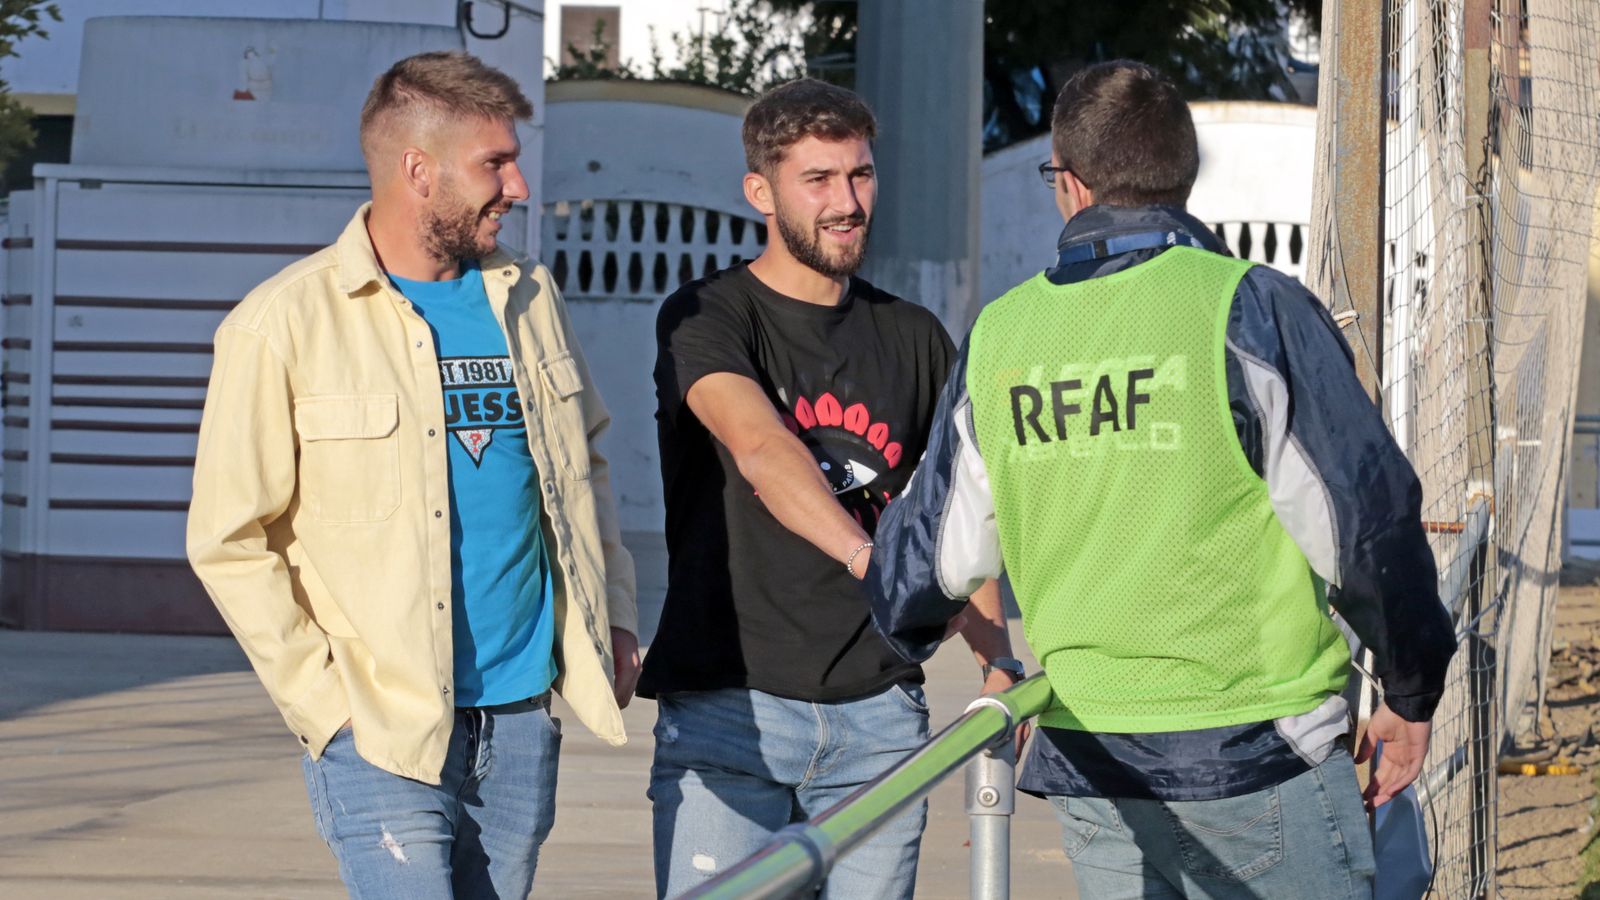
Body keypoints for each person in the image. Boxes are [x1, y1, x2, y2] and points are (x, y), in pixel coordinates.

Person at [866, 61, 1458, 898]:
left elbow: (921, 575)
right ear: (1183, 176)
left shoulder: (1002, 338)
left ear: (1067, 186)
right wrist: (1412, 686)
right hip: (1260, 750)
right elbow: (1366, 519)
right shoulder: (1251, 308)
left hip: (1096, 756)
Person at [186, 51, 639, 899]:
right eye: (494, 165)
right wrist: (324, 707)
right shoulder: (281, 323)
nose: (520, 187)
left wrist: (610, 615)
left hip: (519, 713)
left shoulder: (529, 297)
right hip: (382, 728)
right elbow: (227, 539)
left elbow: (587, 465)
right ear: (418, 171)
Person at [640, 78, 1020, 899]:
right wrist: (869, 558)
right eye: (818, 180)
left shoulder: (914, 335)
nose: (847, 202)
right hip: (729, 714)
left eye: (861, 175)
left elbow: (958, 509)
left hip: (879, 718)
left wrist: (998, 659)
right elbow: (761, 449)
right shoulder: (707, 316)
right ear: (760, 192)